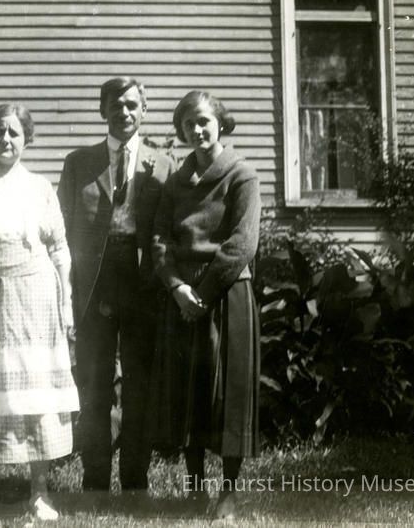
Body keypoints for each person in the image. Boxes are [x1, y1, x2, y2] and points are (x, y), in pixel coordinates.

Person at [0, 104, 78, 522]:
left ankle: (39, 493)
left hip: (34, 296)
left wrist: (66, 301)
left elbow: (59, 248)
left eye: (14, 133)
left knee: (35, 389)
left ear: (26, 139)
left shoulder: (40, 188)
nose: (5, 140)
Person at [57, 77, 175, 493]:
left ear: (144, 111)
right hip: (95, 281)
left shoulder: (163, 164)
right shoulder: (79, 162)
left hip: (142, 281)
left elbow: (169, 227)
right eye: (115, 105)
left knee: (140, 382)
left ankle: (135, 480)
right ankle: (94, 479)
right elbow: (61, 227)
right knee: (95, 382)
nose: (123, 112)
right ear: (102, 110)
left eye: (131, 105)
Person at [151, 90, 261, 519]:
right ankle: (195, 487)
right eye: (189, 124)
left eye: (204, 122)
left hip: (227, 291)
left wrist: (206, 293)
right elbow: (160, 239)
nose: (197, 130)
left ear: (220, 123)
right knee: (187, 391)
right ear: (180, 130)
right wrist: (176, 287)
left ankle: (228, 492)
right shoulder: (175, 181)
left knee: (229, 394)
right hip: (182, 294)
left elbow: (242, 243)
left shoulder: (241, 175)